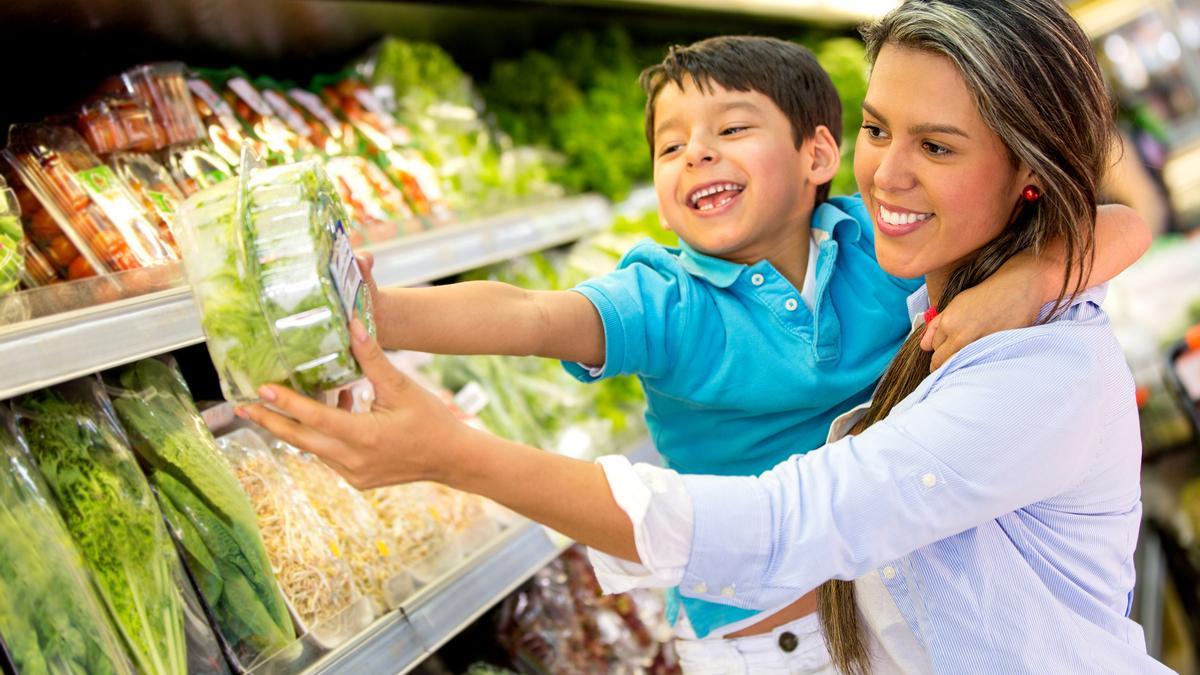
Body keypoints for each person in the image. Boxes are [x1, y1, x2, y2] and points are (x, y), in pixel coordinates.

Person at [241, 3, 1165, 671]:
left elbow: (1113, 219)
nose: (890, 169)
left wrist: (1039, 275)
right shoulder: (675, 296)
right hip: (755, 636)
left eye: (939, 144)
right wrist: (372, 309)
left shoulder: (887, 264)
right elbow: (530, 313)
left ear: (813, 156)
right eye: (880, 128)